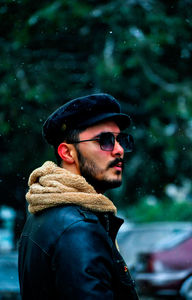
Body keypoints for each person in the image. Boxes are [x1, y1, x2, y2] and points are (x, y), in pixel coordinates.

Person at [18, 93, 139, 300]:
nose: (119, 150)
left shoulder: (43, 214)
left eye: (121, 140)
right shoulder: (78, 229)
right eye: (106, 140)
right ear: (67, 153)